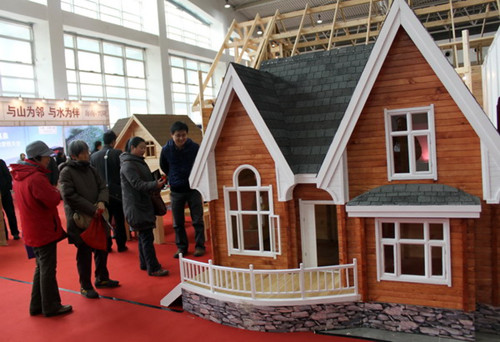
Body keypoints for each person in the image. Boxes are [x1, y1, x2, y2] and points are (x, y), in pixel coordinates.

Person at [10, 140, 72, 317]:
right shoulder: (36, 177)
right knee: (47, 268)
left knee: (41, 267)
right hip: (42, 229)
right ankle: (51, 306)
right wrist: (57, 191)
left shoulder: (21, 175)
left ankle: (37, 305)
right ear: (37, 157)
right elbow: (52, 199)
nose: (48, 160)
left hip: (32, 228)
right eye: (46, 157)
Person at [59, 140, 120, 299]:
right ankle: (85, 286)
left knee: (102, 247)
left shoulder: (91, 169)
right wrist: (92, 208)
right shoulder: (66, 172)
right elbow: (69, 196)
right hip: (81, 219)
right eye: (83, 153)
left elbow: (103, 187)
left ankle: (102, 278)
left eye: (87, 152)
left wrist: (101, 201)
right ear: (73, 156)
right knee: (84, 252)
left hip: (97, 216)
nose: (87, 155)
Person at [120, 137, 169, 276]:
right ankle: (153, 268)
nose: (144, 150)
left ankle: (145, 263)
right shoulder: (128, 165)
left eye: (145, 148)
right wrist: (155, 184)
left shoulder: (136, 162)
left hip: (141, 204)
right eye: (141, 147)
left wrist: (156, 181)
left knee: (144, 237)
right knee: (147, 238)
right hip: (137, 207)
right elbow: (137, 184)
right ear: (132, 148)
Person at [160, 121, 205, 258]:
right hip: (176, 190)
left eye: (184, 135)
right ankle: (181, 247)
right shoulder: (166, 150)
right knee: (177, 222)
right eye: (178, 135)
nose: (181, 138)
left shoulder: (195, 148)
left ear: (187, 134)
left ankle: (199, 246)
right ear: (172, 135)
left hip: (193, 188)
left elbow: (200, 164)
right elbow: (164, 167)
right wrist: (174, 177)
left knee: (197, 220)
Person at [90, 131, 127, 252]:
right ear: (113, 141)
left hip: (101, 194)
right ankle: (121, 245)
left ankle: (107, 245)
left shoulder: (94, 156)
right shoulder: (118, 153)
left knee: (105, 220)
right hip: (117, 192)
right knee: (119, 219)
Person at [0, 159, 20, 240]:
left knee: (10, 213)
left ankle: (15, 232)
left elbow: (8, 175)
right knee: (1, 216)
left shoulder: (1, 162)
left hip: (5, 192)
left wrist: (8, 188)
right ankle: (4, 235)